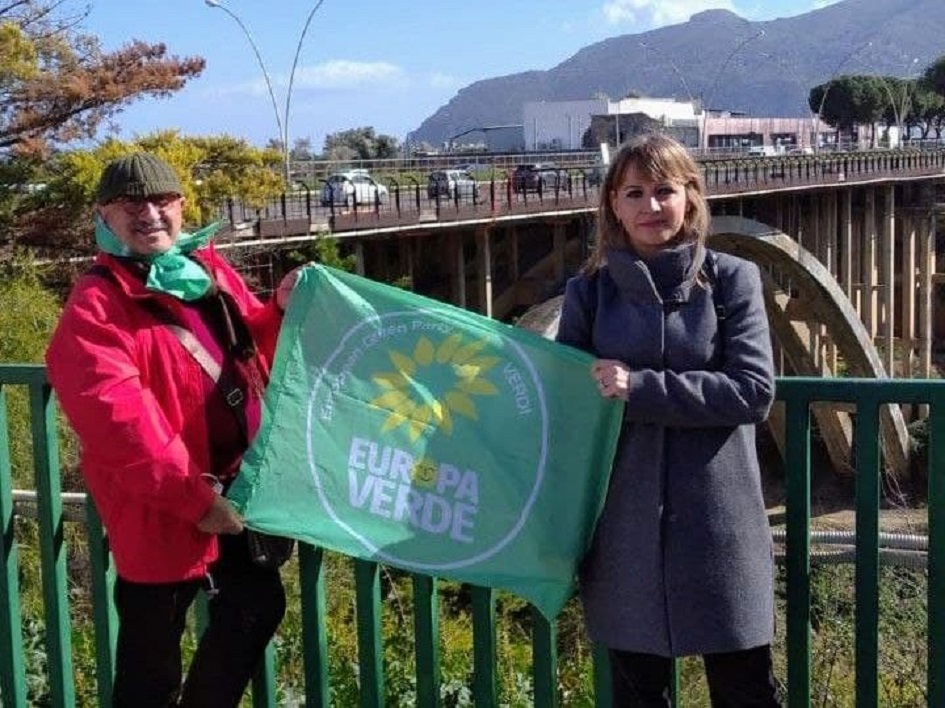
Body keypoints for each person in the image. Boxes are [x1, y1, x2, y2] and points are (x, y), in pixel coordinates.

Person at [46, 152, 300, 707]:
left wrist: (279, 310)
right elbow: (121, 425)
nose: (150, 214)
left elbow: (251, 349)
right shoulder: (96, 305)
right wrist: (195, 501)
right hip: (162, 505)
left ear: (182, 205)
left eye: (162, 200)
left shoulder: (205, 270)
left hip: (234, 489)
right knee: (152, 657)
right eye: (130, 204)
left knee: (256, 607)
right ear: (103, 216)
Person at [556, 133, 780, 707]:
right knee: (635, 697)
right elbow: (565, 400)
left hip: (720, 530)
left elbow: (753, 392)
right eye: (634, 193)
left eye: (664, 190)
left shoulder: (732, 280)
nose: (650, 206)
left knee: (745, 693)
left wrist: (639, 387)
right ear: (613, 204)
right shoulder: (587, 294)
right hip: (623, 535)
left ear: (691, 197)